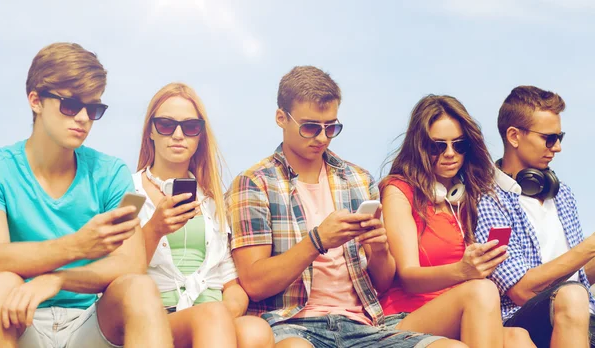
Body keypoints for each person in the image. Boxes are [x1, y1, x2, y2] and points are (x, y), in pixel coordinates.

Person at [227, 66, 462, 347]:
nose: (323, 137)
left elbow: (383, 283)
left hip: (362, 326)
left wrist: (379, 249)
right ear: (281, 118)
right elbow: (254, 284)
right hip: (292, 325)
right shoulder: (254, 184)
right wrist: (317, 241)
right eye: (311, 127)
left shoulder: (358, 179)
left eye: (332, 127)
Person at [0, 42, 173, 348]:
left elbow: (131, 263)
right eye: (70, 105)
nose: (82, 118)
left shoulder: (113, 173)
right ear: (35, 100)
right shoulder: (0, 168)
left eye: (93, 108)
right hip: (19, 320)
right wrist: (77, 246)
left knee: (140, 288)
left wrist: (56, 280)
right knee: (1, 285)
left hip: (89, 323)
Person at [379, 95, 534, 347]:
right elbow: (407, 276)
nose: (450, 154)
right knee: (481, 290)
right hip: (406, 317)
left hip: (466, 314)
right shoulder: (399, 191)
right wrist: (462, 271)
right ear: (420, 146)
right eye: (437, 146)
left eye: (459, 145)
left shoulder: (469, 197)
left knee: (518, 337)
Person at [133, 82, 274, 348]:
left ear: (200, 137)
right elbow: (121, 271)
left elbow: (230, 282)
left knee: (256, 330)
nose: (178, 134)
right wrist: (154, 229)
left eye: (190, 127)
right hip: (160, 315)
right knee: (210, 316)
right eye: (165, 125)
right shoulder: (129, 190)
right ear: (150, 131)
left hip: (213, 313)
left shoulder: (213, 201)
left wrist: (226, 311)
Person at [475, 85, 595, 348]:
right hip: (521, 320)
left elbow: (575, 274)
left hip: (578, 314)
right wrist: (590, 246)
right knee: (573, 296)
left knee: (575, 296)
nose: (558, 147)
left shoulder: (563, 194)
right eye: (549, 138)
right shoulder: (488, 200)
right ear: (514, 136)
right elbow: (521, 291)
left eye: (560, 136)